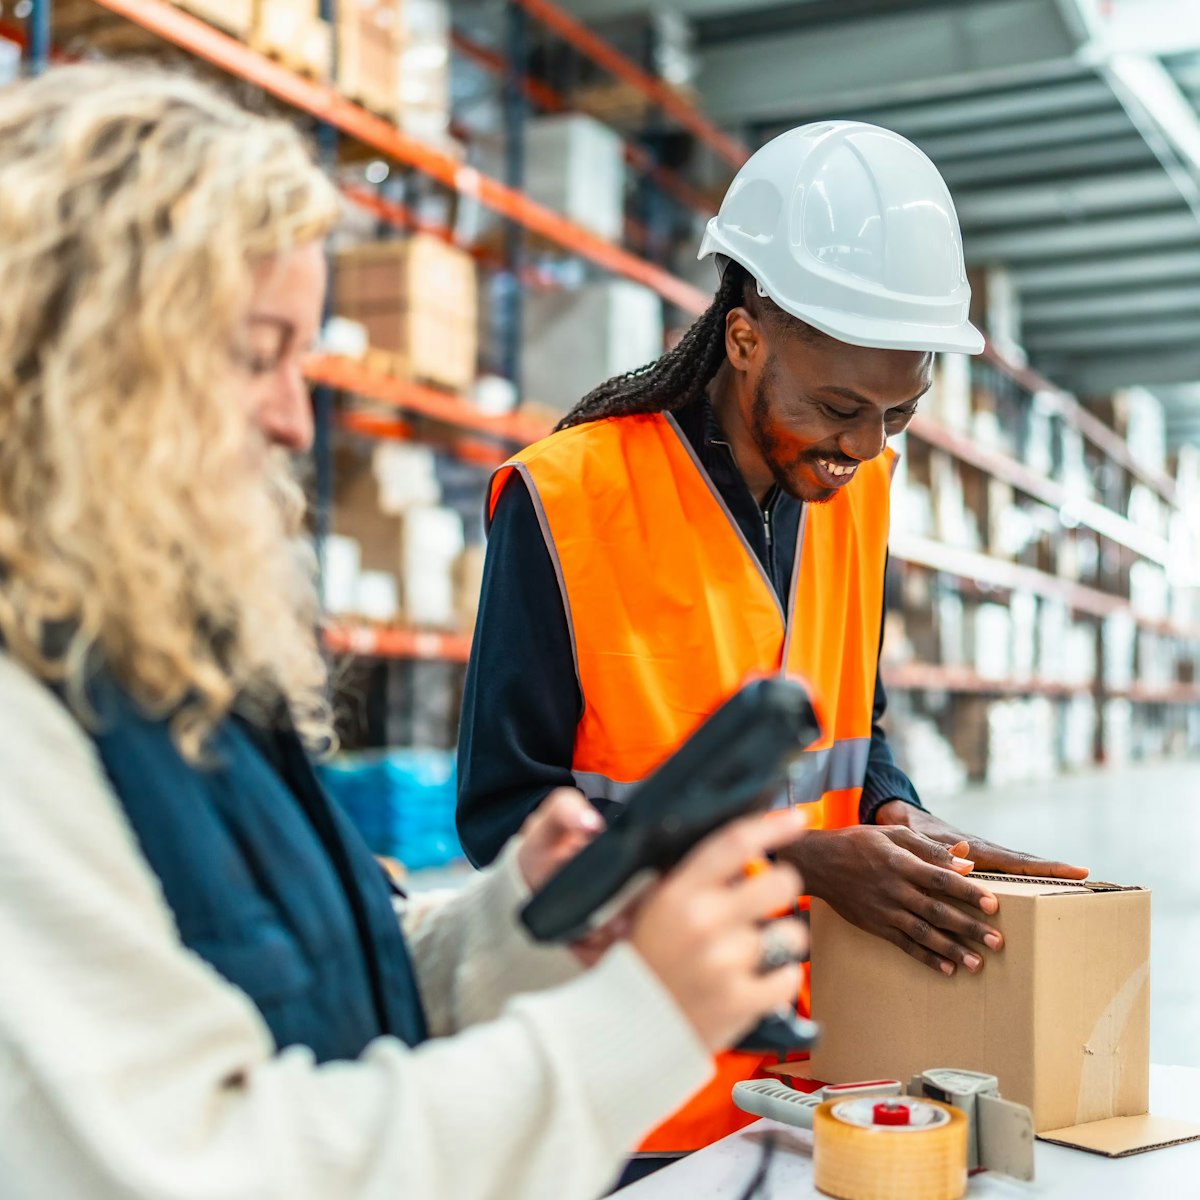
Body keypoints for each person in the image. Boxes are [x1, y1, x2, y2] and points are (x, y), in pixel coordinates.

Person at [0, 63, 812, 1200]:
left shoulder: (158, 668)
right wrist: (637, 1026)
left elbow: (319, 995)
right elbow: (216, 1164)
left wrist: (513, 927)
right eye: (257, 354)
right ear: (80, 366)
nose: (295, 420)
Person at [457, 121, 1089, 1164]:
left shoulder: (860, 490)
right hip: (633, 1103)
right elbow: (505, 821)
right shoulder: (568, 500)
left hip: (818, 1077)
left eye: (901, 412)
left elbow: (854, 720)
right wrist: (797, 861)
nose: (866, 446)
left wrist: (892, 809)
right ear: (745, 336)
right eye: (840, 407)